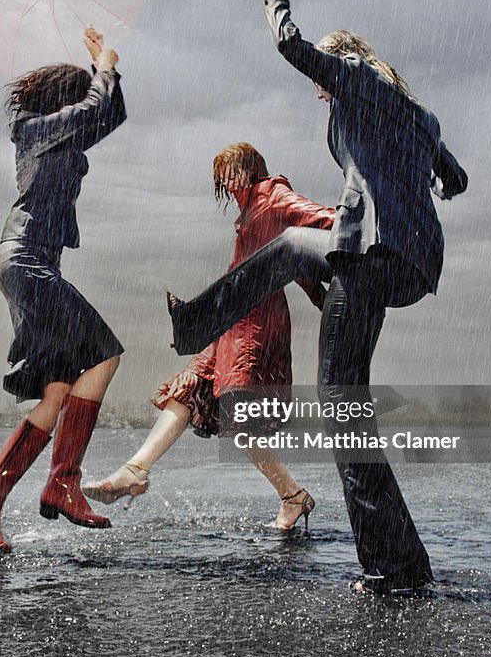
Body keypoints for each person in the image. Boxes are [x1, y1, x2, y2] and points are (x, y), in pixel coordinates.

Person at [168, 0, 467, 594]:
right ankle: (402, 564)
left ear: (343, 61)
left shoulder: (354, 79)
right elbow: (456, 177)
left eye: (326, 80)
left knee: (342, 411)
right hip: (410, 262)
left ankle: (392, 568)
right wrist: (424, 171)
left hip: (368, 251)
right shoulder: (421, 116)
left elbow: (290, 46)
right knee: (295, 259)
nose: (321, 93)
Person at [83, 142, 335, 530]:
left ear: (251, 168)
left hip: (258, 323)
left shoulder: (273, 194)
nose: (227, 181)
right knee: (187, 390)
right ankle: (136, 470)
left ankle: (293, 496)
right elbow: (294, 261)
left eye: (232, 171)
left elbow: (319, 220)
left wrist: (352, 236)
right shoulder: (250, 209)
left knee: (239, 414)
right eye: (222, 176)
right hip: (231, 322)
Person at [0, 27, 125, 553]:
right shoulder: (33, 129)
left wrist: (106, 69)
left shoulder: (60, 132)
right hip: (28, 261)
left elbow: (109, 114)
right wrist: (104, 66)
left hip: (31, 263)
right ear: (63, 99)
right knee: (104, 357)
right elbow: (95, 109)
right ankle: (62, 483)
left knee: (57, 390)